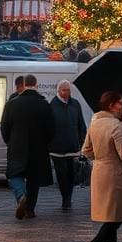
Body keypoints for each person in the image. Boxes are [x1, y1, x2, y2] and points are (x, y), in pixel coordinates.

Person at [82, 91, 122, 242]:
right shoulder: (116, 125)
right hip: (115, 173)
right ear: (111, 105)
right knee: (117, 215)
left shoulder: (95, 122)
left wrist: (100, 158)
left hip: (99, 172)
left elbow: (86, 151)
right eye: (120, 103)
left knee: (110, 213)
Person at [0, 73, 54, 219]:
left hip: (17, 146)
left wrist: (10, 142)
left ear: (23, 85)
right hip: (38, 148)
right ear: (36, 84)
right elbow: (51, 129)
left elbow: (4, 127)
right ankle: (30, 209)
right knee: (33, 178)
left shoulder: (12, 104)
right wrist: (45, 144)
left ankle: (21, 195)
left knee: (14, 174)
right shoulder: (44, 104)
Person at [48, 79, 87, 209]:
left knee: (71, 174)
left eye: (68, 90)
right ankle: (65, 198)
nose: (66, 92)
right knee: (61, 174)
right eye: (64, 90)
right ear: (58, 91)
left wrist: (82, 141)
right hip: (57, 148)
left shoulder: (75, 104)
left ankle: (68, 197)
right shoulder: (52, 105)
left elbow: (81, 123)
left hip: (72, 146)